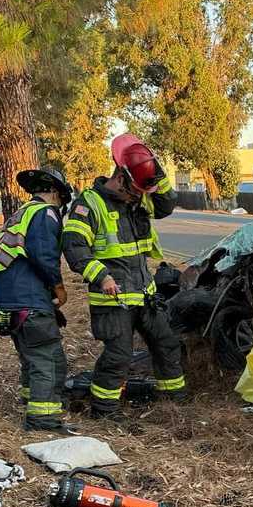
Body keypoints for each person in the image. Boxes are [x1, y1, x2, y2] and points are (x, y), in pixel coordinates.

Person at [62, 134, 186, 418]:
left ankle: (174, 401)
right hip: (113, 296)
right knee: (119, 356)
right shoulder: (89, 204)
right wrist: (101, 276)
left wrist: (154, 168)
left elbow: (166, 205)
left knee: (166, 343)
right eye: (134, 191)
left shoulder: (138, 198)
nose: (139, 198)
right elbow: (73, 247)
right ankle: (105, 410)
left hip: (145, 293)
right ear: (119, 179)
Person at [0, 167, 76, 434]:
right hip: (27, 297)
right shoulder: (44, 213)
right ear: (54, 193)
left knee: (30, 355)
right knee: (47, 358)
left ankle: (30, 399)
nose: (61, 206)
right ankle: (43, 419)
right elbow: (44, 255)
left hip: (8, 295)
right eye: (62, 200)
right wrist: (59, 288)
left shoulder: (22, 212)